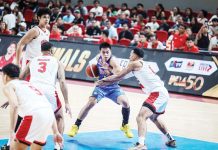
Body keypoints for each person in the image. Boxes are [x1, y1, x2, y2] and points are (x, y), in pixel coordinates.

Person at [97, 48, 176, 149]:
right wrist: (108, 70)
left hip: (158, 93)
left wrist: (103, 80)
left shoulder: (134, 63)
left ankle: (141, 144)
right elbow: (120, 76)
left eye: (131, 54)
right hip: (163, 93)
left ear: (135, 55)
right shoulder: (140, 65)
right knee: (154, 117)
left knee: (140, 117)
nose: (129, 56)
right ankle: (170, 139)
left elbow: (118, 76)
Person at [68, 42, 133, 138]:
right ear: (100, 52)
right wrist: (94, 73)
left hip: (113, 87)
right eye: (104, 52)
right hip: (101, 87)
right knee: (90, 103)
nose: (106, 54)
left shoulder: (113, 61)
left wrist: (109, 70)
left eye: (108, 52)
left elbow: (119, 76)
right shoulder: (98, 57)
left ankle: (125, 125)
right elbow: (92, 67)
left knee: (125, 102)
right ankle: (76, 126)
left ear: (110, 52)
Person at [19, 42, 72, 150]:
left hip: (32, 91)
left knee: (27, 118)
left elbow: (21, 77)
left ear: (41, 50)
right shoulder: (57, 61)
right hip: (48, 90)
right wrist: (66, 102)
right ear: (52, 50)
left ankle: (15, 142)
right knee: (59, 116)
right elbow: (62, 82)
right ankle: (58, 146)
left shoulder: (33, 60)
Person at [1, 63, 63, 150]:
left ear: (5, 76)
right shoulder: (28, 84)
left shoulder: (9, 85)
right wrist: (56, 132)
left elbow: (14, 106)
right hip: (48, 116)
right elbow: (47, 107)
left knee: (14, 148)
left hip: (34, 115)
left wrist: (11, 131)